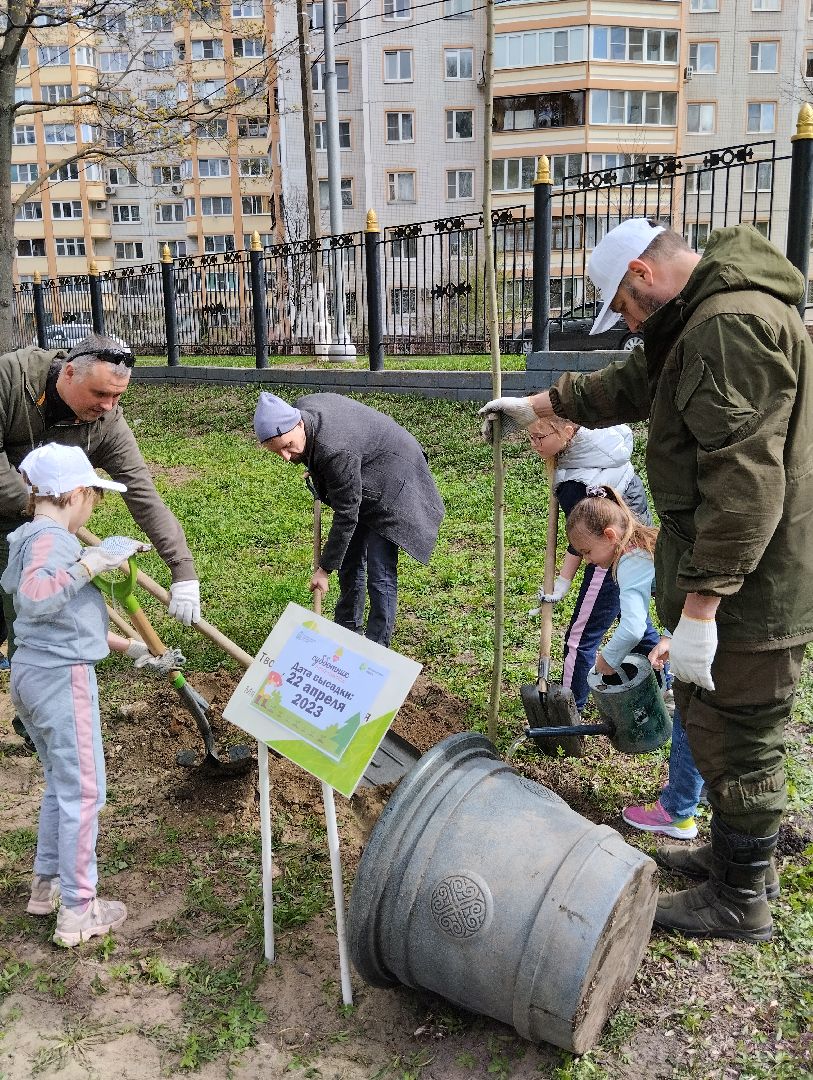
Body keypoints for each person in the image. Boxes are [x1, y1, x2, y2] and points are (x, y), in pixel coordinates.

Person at [479, 219, 813, 942]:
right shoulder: (700, 315)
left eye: (624, 308)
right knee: (713, 723)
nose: (626, 324)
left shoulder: (730, 327)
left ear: (642, 271)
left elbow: (744, 489)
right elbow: (634, 382)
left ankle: (740, 899)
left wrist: (699, 611)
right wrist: (534, 408)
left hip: (754, 587)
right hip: (735, 579)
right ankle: (733, 859)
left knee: (743, 732)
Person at [3, 443, 184, 946]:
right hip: (63, 679)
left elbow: (59, 617)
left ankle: (46, 888)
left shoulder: (30, 536)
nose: (94, 508)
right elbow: (40, 598)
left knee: (61, 784)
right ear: (77, 493)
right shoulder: (50, 541)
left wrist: (133, 650)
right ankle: (80, 910)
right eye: (94, 498)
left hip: (33, 671)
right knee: (85, 793)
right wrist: (94, 563)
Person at [0, 334, 201, 748]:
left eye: (117, 396)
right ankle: (43, 721)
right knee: (27, 612)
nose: (109, 405)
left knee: (34, 612)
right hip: (24, 510)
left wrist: (182, 570)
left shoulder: (107, 422)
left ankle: (35, 726)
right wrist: (42, 505)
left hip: (38, 522)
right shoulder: (12, 378)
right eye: (101, 393)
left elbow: (142, 493)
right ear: (69, 371)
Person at [253, 391, 445, 648]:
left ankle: (377, 647)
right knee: (349, 560)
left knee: (380, 569)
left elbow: (347, 513)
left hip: (395, 478)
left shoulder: (335, 449)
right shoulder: (301, 415)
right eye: (278, 452)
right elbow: (328, 458)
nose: (287, 457)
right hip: (363, 468)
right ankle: (347, 634)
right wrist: (316, 466)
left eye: (288, 446)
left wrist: (323, 570)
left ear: (299, 424)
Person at [527, 414, 666, 714]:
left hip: (617, 554)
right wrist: (563, 581)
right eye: (530, 437)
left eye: (540, 437)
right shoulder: (595, 448)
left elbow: (583, 543)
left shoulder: (577, 485)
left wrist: (607, 662)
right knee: (640, 623)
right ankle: (664, 689)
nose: (534, 444)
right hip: (628, 537)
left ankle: (569, 710)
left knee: (580, 637)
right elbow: (585, 543)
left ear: (566, 431)